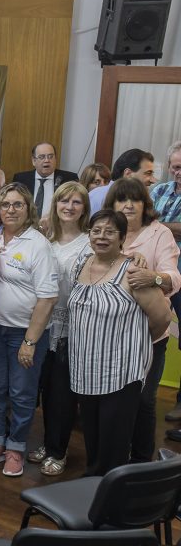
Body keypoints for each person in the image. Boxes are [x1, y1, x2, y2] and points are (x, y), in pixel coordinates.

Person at [69, 209, 170, 475]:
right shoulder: (82, 263)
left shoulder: (134, 272)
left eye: (110, 231)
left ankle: (112, 498)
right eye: (96, 230)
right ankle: (94, 481)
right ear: (89, 234)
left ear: (123, 238)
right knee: (92, 434)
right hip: (85, 369)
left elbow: (161, 317)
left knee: (114, 441)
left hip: (120, 372)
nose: (101, 236)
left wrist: (131, 342)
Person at [0, 183, 58, 477]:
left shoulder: (38, 243)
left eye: (18, 204)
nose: (11, 209)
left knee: (22, 393)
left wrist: (30, 341)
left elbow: (48, 297)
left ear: (28, 209)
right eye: (6, 204)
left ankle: (16, 448)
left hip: (25, 333)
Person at [102, 177, 181, 463]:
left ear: (145, 205)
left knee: (145, 399)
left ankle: (141, 462)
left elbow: (174, 277)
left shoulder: (159, 233)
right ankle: (114, 457)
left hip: (150, 333)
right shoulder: (106, 231)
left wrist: (154, 277)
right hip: (110, 333)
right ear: (112, 205)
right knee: (115, 398)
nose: (127, 205)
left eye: (134, 199)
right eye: (121, 199)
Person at [30, 181, 91, 476]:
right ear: (55, 205)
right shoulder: (45, 239)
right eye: (64, 201)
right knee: (42, 389)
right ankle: (47, 441)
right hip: (41, 325)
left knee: (62, 394)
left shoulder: (90, 243)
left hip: (72, 330)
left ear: (84, 209)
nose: (69, 207)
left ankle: (58, 450)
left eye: (76, 202)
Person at [150, 141, 181, 430]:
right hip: (155, 276)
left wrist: (159, 225)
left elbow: (152, 224)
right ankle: (144, 391)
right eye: (175, 166)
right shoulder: (158, 191)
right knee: (153, 334)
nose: (178, 171)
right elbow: (142, 220)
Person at [11, 143, 79, 219]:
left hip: (57, 226)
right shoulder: (21, 179)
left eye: (50, 156)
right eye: (42, 157)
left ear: (55, 159)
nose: (47, 160)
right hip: (26, 225)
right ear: (34, 161)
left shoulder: (69, 179)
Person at [89, 148, 157, 211]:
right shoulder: (99, 197)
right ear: (128, 174)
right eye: (148, 173)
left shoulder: (140, 200)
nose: (153, 180)